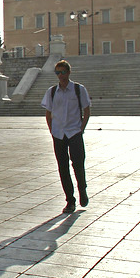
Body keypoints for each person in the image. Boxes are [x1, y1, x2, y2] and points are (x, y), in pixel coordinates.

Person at [41, 60, 91, 213]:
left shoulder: (78, 89)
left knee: (78, 165)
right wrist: (51, 130)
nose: (60, 76)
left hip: (74, 131)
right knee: (63, 168)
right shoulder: (52, 91)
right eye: (57, 73)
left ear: (69, 73)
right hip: (58, 133)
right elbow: (48, 113)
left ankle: (82, 189)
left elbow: (86, 109)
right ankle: (70, 200)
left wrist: (81, 128)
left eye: (63, 72)